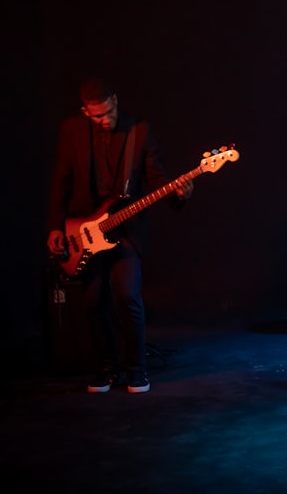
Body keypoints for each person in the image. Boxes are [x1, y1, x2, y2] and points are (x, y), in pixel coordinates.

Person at [46, 77, 193, 394]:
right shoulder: (70, 131)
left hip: (126, 230)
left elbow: (156, 178)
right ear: (85, 111)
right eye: (98, 115)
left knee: (127, 296)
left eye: (109, 112)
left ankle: (137, 370)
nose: (105, 120)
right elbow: (61, 179)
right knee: (93, 301)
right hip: (84, 232)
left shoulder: (138, 130)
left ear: (115, 100)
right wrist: (56, 226)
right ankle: (106, 368)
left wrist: (178, 193)